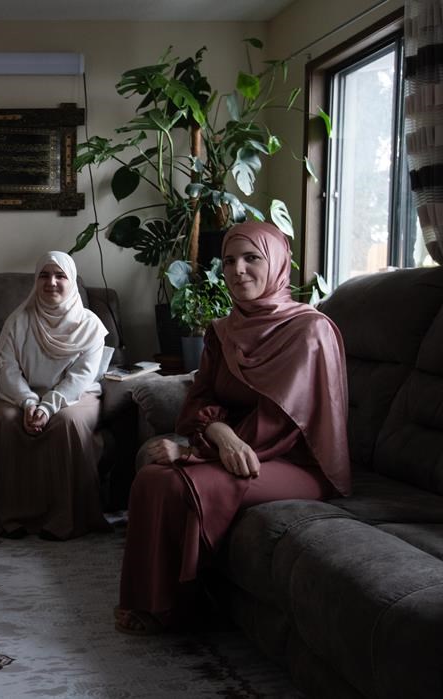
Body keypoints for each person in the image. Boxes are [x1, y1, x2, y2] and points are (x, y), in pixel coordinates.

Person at [116, 221, 351, 634]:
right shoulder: (223, 331)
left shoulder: (310, 331)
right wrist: (219, 435)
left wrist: (194, 453)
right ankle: (154, 604)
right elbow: (197, 403)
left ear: (277, 263)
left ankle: (174, 609)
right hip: (237, 449)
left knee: (173, 483)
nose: (238, 269)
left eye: (251, 258)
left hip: (296, 461)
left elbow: (281, 424)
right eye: (229, 260)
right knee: (153, 477)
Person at [0, 251, 111, 540]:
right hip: (21, 396)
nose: (52, 282)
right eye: (44, 275)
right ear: (36, 281)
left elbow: (81, 376)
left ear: (72, 282)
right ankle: (10, 519)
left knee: (67, 422)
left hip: (74, 396)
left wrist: (48, 408)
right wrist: (29, 402)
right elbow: (7, 369)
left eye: (60, 276)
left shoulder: (90, 325)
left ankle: (65, 520)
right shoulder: (19, 320)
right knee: (6, 420)